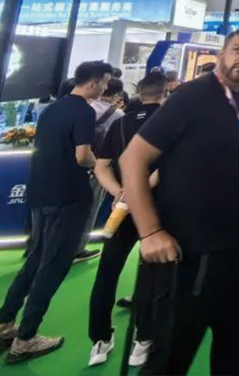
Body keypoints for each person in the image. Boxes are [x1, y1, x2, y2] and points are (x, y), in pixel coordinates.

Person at [119, 29, 239, 376]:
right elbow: (132, 159)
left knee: (234, 355)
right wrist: (149, 232)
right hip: (192, 257)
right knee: (170, 360)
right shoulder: (192, 97)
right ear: (222, 53)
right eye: (238, 50)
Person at [0, 61, 113, 364]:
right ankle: (26, 338)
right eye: (105, 82)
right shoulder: (83, 111)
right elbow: (82, 155)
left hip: (41, 191)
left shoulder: (51, 109)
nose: (106, 88)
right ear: (93, 83)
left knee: (36, 258)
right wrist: (98, 166)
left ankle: (4, 325)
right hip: (67, 196)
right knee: (53, 265)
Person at [86, 71, 167, 367]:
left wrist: (120, 192)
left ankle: (99, 340)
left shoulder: (120, 123)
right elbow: (167, 166)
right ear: (164, 94)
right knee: (152, 274)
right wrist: (138, 191)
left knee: (107, 271)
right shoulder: (168, 124)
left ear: (140, 94)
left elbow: (101, 166)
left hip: (121, 208)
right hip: (156, 210)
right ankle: (143, 338)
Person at [75, 78, 127, 265]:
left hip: (74, 165)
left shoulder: (84, 108)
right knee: (90, 208)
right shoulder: (118, 114)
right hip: (98, 165)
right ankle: (78, 249)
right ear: (117, 95)